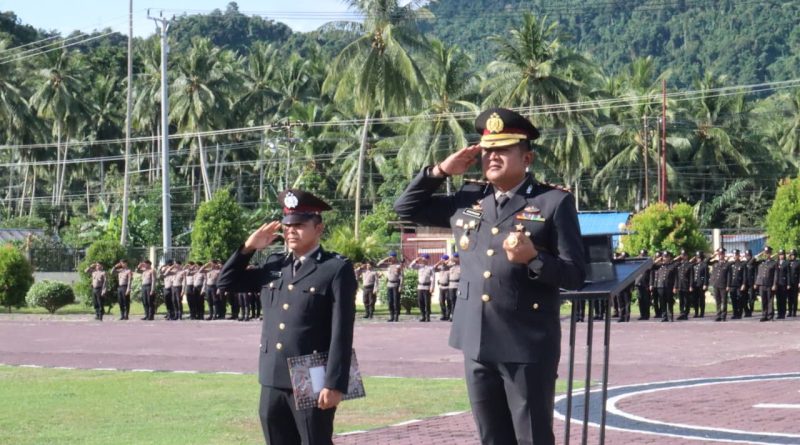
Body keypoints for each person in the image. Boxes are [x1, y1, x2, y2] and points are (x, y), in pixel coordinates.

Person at [394, 107, 586, 445]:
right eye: (487, 150)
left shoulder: (552, 203)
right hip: (476, 340)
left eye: (503, 149)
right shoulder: (471, 199)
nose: (492, 157)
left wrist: (534, 258)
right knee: (492, 438)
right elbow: (406, 208)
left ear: (527, 158)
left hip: (526, 344)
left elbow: (575, 275)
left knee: (531, 438)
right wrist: (440, 171)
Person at [218, 189, 356, 445]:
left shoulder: (335, 268)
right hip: (273, 373)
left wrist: (335, 383)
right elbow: (226, 282)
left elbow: (342, 331)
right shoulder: (275, 264)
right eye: (287, 226)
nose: (291, 231)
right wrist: (248, 248)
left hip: (311, 372)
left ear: (319, 228)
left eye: (299, 225)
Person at [651, 251, 678, 322]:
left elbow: (676, 278)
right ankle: (664, 317)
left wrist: (675, 287)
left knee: (669, 302)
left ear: (669, 257)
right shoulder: (659, 265)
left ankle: (670, 316)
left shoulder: (673, 266)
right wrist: (658, 260)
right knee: (662, 302)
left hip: (669, 286)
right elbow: (651, 266)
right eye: (664, 257)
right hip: (660, 286)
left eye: (666, 257)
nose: (665, 258)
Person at [376, 252, 403, 322]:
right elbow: (378, 264)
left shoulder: (398, 265)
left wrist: (401, 286)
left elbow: (402, 276)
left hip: (396, 284)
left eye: (392, 257)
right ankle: (391, 316)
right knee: (390, 301)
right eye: (390, 257)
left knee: (396, 301)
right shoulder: (388, 265)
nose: (391, 259)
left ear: (395, 257)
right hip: (389, 284)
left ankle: (396, 316)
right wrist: (386, 259)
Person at [754, 246, 778, 322]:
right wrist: (759, 255)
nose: (766, 254)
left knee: (770, 300)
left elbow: (776, 274)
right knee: (763, 300)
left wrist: (774, 284)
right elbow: (750, 263)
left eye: (768, 253)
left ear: (770, 253)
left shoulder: (774, 263)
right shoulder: (761, 262)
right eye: (765, 253)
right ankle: (764, 315)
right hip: (761, 284)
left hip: (769, 284)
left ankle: (770, 316)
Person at [409, 254, 435, 322]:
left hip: (427, 287)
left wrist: (432, 287)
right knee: (420, 302)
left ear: (428, 259)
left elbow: (433, 278)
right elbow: (410, 266)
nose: (423, 259)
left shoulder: (430, 268)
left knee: (427, 302)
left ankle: (427, 316)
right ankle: (423, 316)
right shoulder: (419, 266)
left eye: (425, 258)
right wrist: (416, 260)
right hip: (420, 287)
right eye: (422, 258)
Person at [708, 248, 730, 322]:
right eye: (719, 254)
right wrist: (713, 256)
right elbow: (706, 262)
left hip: (723, 285)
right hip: (716, 284)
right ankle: (718, 315)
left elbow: (729, 276)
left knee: (724, 301)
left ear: (724, 255)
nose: (721, 255)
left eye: (722, 254)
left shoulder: (727, 264)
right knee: (718, 301)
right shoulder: (715, 263)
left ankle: (723, 316)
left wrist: (728, 285)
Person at [727, 250, 747, 319]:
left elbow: (744, 275)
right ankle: (735, 313)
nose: (735, 256)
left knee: (739, 299)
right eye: (733, 255)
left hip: (739, 285)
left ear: (738, 255)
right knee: (733, 300)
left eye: (736, 255)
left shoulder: (742, 264)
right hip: (732, 285)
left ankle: (739, 313)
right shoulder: (731, 264)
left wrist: (743, 284)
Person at [674, 250, 693, 320]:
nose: (683, 256)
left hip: (686, 285)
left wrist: (691, 286)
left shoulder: (690, 265)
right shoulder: (678, 264)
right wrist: (676, 286)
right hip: (680, 285)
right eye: (682, 255)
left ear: (687, 256)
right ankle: (681, 313)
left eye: (684, 255)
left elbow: (691, 276)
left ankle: (686, 313)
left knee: (686, 300)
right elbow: (676, 276)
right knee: (681, 300)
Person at [634, 249, 653, 320]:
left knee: (646, 300)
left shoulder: (649, 263)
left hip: (646, 284)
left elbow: (651, 274)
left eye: (644, 255)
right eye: (641, 255)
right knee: (640, 300)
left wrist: (650, 284)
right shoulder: (637, 263)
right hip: (638, 283)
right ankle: (642, 315)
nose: (642, 256)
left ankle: (646, 315)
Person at [690, 251, 709, 318]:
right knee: (695, 299)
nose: (698, 259)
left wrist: (705, 284)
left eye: (699, 257)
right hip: (695, 285)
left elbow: (706, 276)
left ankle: (702, 313)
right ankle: (696, 313)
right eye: (697, 257)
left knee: (701, 299)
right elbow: (692, 275)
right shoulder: (694, 265)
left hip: (701, 285)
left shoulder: (704, 265)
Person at [434, 255, 452, 320]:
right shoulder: (440, 267)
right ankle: (443, 314)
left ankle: (448, 315)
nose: (442, 261)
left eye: (443, 260)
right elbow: (434, 268)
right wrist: (439, 262)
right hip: (441, 287)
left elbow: (452, 264)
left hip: (448, 286)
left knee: (449, 301)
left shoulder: (450, 267)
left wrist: (447, 261)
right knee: (441, 301)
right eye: (441, 260)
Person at [775, 249, 790, 319]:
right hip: (777, 283)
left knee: (783, 299)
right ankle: (779, 313)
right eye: (780, 255)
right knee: (778, 299)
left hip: (784, 283)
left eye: (782, 255)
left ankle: (783, 313)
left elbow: (788, 274)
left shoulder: (786, 263)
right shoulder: (776, 262)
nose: (781, 256)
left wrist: (788, 284)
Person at [447, 253, 461, 321]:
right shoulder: (450, 265)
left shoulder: (462, 266)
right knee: (451, 301)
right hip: (451, 286)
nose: (454, 259)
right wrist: (450, 259)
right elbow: (443, 265)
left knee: (458, 301)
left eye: (456, 257)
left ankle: (458, 315)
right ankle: (452, 315)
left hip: (458, 285)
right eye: (454, 257)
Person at [789, 249, 799, 317]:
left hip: (795, 282)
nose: (792, 256)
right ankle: (790, 312)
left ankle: (794, 312)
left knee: (795, 297)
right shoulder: (788, 262)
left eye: (793, 255)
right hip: (789, 283)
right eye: (791, 255)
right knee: (789, 298)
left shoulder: (798, 262)